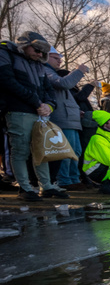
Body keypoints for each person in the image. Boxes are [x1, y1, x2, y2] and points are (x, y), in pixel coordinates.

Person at [0, 31, 69, 200]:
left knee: (41, 150)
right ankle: (24, 187)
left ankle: (46, 186)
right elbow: (7, 81)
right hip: (18, 110)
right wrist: (36, 101)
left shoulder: (39, 65)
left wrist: (50, 106)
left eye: (42, 52)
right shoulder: (6, 54)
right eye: (37, 49)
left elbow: (49, 90)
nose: (39, 54)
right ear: (25, 44)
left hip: (39, 113)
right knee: (20, 150)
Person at [45, 46, 89, 190]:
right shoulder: (47, 72)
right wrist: (79, 71)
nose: (59, 61)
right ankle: (65, 180)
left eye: (60, 58)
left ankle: (73, 178)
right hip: (62, 120)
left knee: (75, 151)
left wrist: (77, 112)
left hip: (71, 120)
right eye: (55, 58)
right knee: (65, 151)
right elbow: (63, 84)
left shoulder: (53, 73)